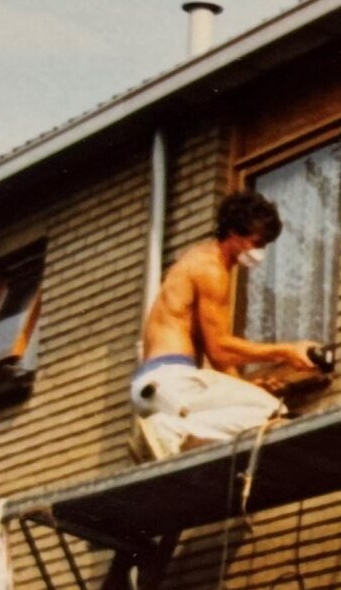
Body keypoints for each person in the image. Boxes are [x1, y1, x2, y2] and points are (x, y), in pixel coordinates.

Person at [130, 190, 328, 461]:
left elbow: (217, 357)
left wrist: (245, 390)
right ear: (234, 232)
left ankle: (173, 432)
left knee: (244, 419)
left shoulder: (198, 259)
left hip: (162, 385)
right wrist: (286, 351)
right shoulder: (212, 270)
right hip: (172, 382)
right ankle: (169, 430)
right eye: (256, 242)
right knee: (273, 413)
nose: (259, 252)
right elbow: (221, 349)